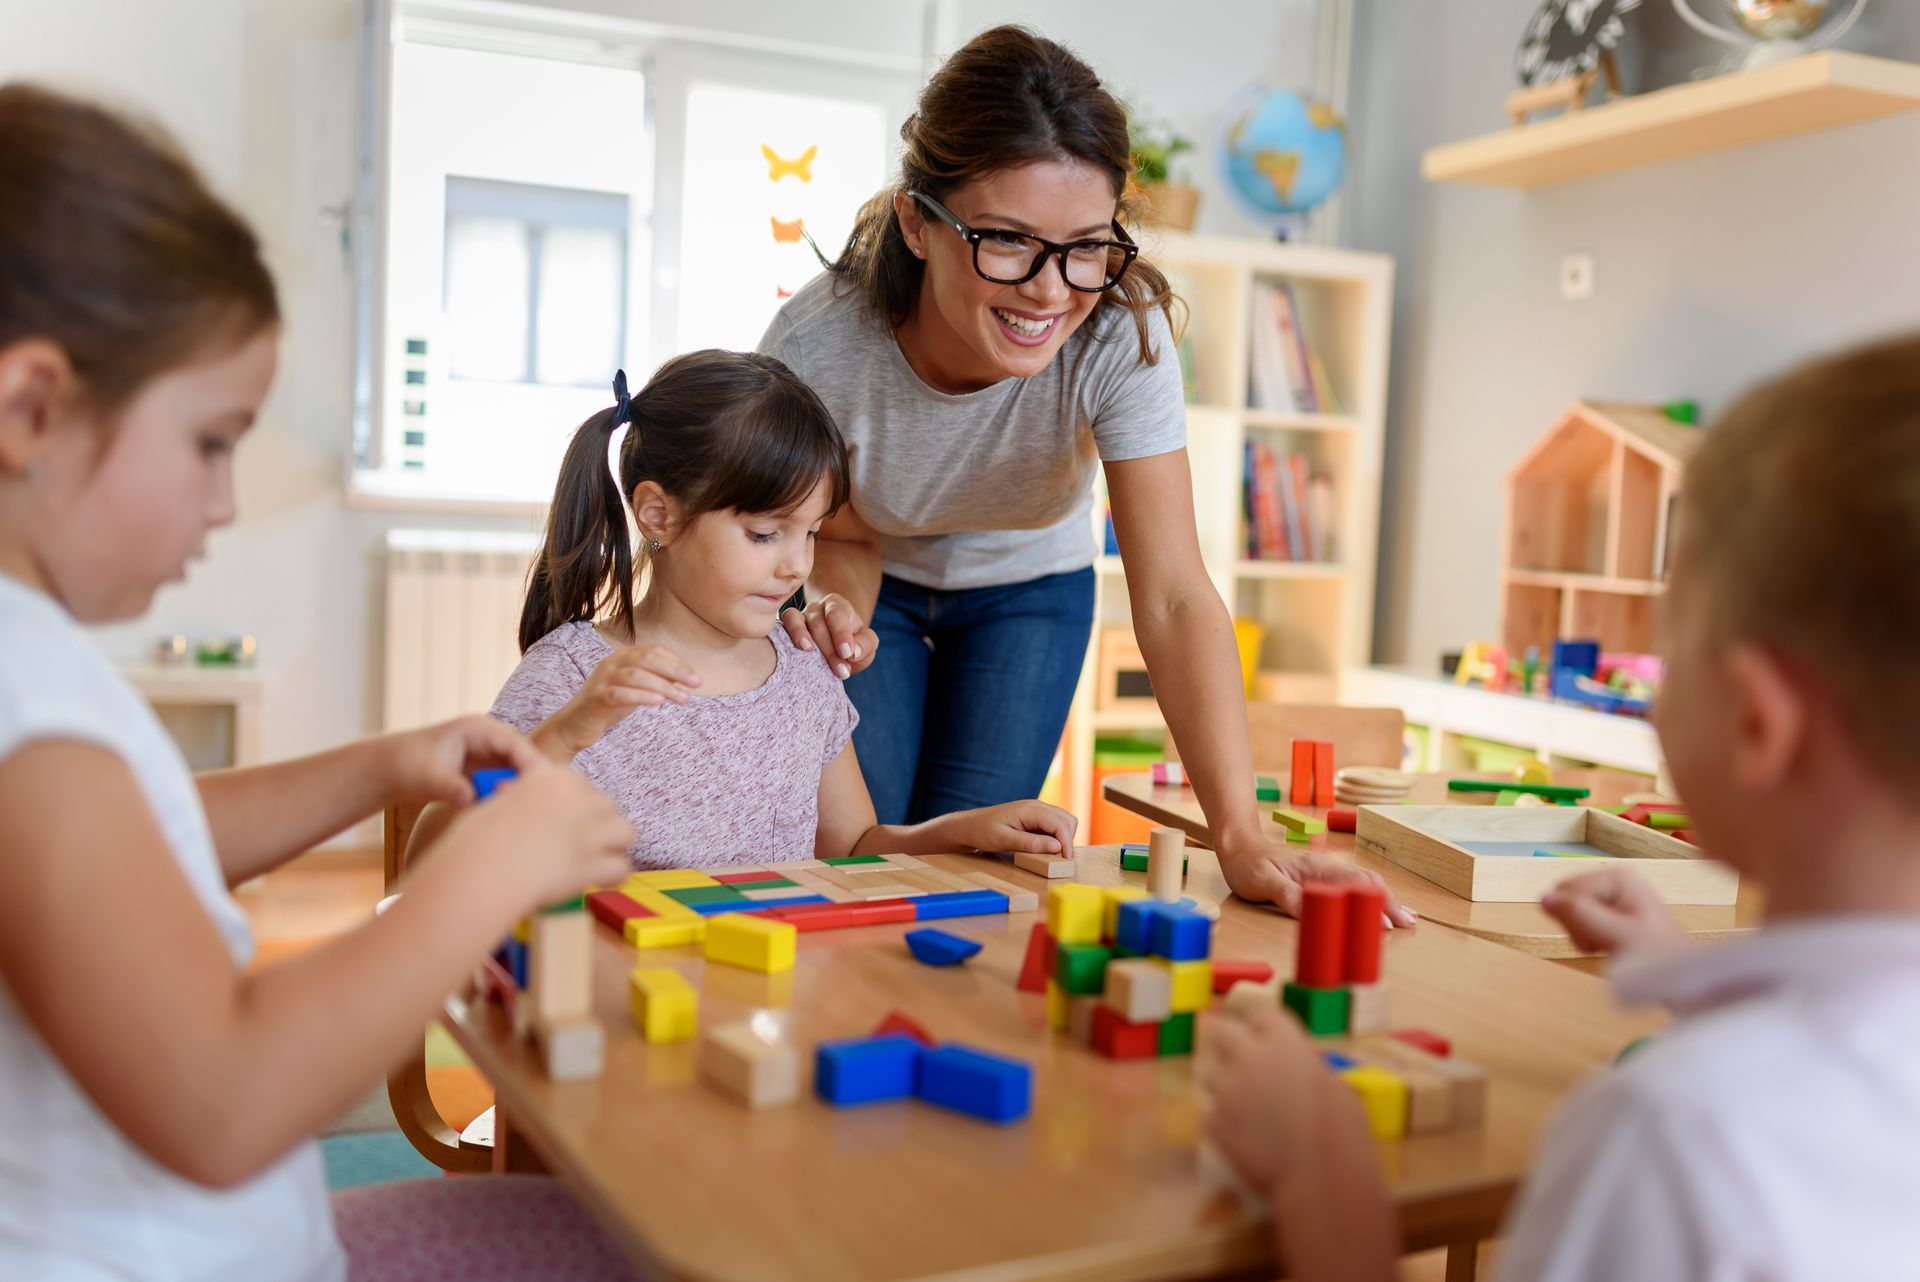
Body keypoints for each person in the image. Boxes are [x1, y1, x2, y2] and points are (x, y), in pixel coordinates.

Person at [0, 84, 639, 1280]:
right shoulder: (32, 722)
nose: (226, 500)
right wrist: (487, 877)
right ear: (33, 408)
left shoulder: (27, 671)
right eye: (209, 441)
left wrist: (383, 765)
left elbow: (130, 847)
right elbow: (228, 1095)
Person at [1202, 334, 1920, 1282]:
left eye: (1669, 644)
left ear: (1755, 720)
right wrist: (1685, 977)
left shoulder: (1670, 1137)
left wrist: (1319, 1175)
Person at [762, 25, 1408, 922]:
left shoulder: (1117, 336)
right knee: (869, 856)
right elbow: (844, 531)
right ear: (917, 220)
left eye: (1087, 247)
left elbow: (1177, 595)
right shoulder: (819, 348)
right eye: (1007, 241)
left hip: (1028, 585)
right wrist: (830, 616)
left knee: (974, 871)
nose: (1050, 290)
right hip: (874, 572)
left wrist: (1242, 834)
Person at [407, 350, 1077, 870]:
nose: (797, 565)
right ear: (658, 514)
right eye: (765, 533)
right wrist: (567, 733)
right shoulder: (574, 678)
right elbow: (426, 861)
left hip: (773, 1005)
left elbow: (851, 850)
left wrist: (960, 831)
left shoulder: (801, 671)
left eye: (811, 532)